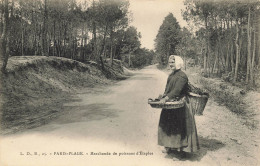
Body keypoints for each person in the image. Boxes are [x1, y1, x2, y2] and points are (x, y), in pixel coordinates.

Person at [158, 55, 199, 158]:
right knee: (167, 123)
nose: (170, 64)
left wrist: (166, 98)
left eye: (172, 62)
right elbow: (168, 89)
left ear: (178, 63)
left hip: (180, 104)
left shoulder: (182, 76)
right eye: (169, 62)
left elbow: (177, 91)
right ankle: (169, 146)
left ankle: (180, 151)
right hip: (171, 103)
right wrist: (163, 96)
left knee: (179, 126)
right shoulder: (171, 75)